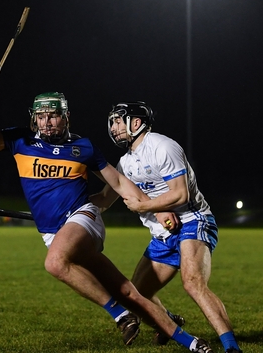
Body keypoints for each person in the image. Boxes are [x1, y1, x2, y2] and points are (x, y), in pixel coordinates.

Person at [0, 89, 214, 352]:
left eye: (53, 116)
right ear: (33, 119)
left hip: (83, 218)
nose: (46, 122)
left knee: (55, 263)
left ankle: (119, 315)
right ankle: (192, 342)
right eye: (41, 116)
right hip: (53, 233)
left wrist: (155, 210)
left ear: (66, 117)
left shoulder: (82, 147)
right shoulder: (20, 140)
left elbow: (117, 182)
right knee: (129, 293)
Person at [90, 102, 242, 353]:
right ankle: (169, 324)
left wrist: (143, 207)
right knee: (135, 296)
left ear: (136, 123)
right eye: (113, 122)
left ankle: (231, 348)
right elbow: (105, 199)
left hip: (193, 221)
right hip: (162, 236)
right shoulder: (126, 161)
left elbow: (180, 195)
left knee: (192, 283)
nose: (113, 127)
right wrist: (70, 206)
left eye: (118, 121)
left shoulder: (162, 146)